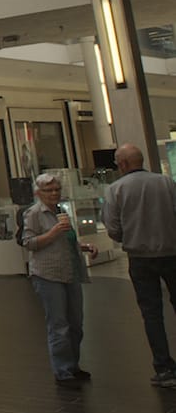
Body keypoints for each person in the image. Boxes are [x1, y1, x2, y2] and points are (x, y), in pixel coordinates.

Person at [102, 144, 176, 388]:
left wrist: (129, 236)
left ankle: (164, 367)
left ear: (122, 164)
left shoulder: (116, 190)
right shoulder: (166, 183)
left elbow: (113, 228)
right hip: (171, 253)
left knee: (151, 313)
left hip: (140, 258)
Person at [21, 175, 96, 386]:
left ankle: (73, 365)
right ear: (38, 193)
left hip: (70, 271)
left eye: (56, 189)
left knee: (76, 323)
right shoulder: (34, 213)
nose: (54, 193)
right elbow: (29, 243)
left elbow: (67, 239)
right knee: (58, 324)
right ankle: (63, 370)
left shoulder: (61, 211)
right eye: (48, 190)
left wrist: (84, 246)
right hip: (48, 274)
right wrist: (53, 232)